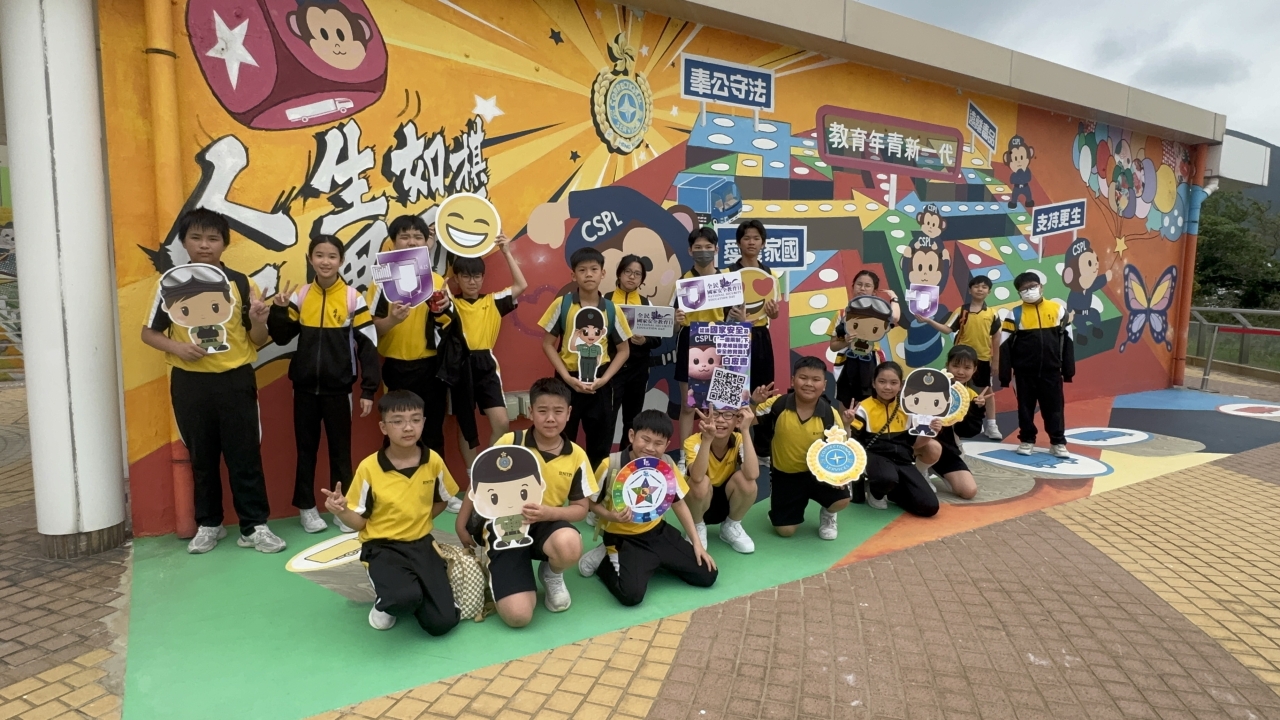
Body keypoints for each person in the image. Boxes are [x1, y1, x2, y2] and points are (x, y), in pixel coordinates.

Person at [141, 208, 285, 555]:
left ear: (224, 243)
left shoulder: (241, 283)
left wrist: (259, 320)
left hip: (236, 380)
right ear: (184, 242)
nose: (204, 245)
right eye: (196, 238)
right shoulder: (170, 284)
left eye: (212, 238)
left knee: (245, 456)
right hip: (190, 383)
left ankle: (254, 526)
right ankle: (209, 525)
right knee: (202, 458)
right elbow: (149, 333)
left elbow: (258, 339)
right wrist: (178, 347)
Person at [456, 377, 595, 625]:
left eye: (558, 411)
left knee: (570, 543)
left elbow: (580, 509)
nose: (550, 418)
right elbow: (478, 484)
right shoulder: (509, 443)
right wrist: (461, 523)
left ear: (569, 413)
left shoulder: (577, 455)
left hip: (545, 523)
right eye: (542, 411)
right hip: (505, 527)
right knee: (518, 617)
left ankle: (551, 574)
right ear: (531, 412)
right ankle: (504, 569)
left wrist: (547, 513)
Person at [322, 390, 460, 635]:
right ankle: (385, 601)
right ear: (383, 427)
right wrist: (341, 511)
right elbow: (360, 523)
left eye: (415, 420)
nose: (408, 427)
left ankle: (413, 594)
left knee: (442, 624)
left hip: (422, 545)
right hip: (382, 547)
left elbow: (442, 501)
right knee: (402, 599)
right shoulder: (369, 468)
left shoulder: (433, 461)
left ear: (423, 422)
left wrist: (416, 520)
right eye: (397, 421)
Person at [268, 235, 380, 534]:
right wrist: (279, 310)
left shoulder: (353, 299)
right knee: (305, 451)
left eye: (332, 256)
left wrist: (368, 390)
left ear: (341, 261)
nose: (325, 261)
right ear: (310, 258)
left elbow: (368, 346)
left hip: (339, 391)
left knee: (341, 453)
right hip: (304, 390)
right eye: (319, 255)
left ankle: (342, 510)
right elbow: (282, 337)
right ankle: (306, 508)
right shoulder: (301, 296)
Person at [579, 410, 717, 606]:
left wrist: (697, 543)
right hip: (623, 539)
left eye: (659, 443)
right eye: (645, 439)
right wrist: (611, 516)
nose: (650, 448)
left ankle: (654, 562)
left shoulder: (666, 464)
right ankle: (603, 560)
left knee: (708, 574)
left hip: (658, 532)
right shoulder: (611, 465)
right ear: (632, 435)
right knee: (631, 596)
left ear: (667, 445)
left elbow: (678, 503)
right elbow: (590, 503)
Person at [369, 215, 458, 459]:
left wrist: (444, 309)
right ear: (393, 241)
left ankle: (435, 482)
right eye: (405, 236)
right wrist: (392, 320)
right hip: (395, 368)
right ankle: (397, 481)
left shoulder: (437, 280)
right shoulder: (381, 279)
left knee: (432, 430)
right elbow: (370, 331)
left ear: (426, 242)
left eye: (418, 237)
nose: (411, 242)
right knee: (396, 431)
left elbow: (450, 328)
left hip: (432, 368)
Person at [539, 247, 633, 467]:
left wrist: (605, 379)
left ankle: (595, 486)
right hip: (567, 380)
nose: (588, 274)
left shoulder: (612, 309)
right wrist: (566, 378)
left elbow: (624, 350)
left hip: (601, 382)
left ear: (603, 273)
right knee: (562, 438)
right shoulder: (562, 304)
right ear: (573, 275)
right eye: (582, 270)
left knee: (600, 443)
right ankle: (564, 483)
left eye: (594, 269)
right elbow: (547, 344)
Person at [751, 356, 850, 540]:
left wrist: (839, 475)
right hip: (785, 475)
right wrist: (753, 402)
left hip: (818, 474)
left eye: (815, 379)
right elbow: (745, 420)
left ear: (824, 385)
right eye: (803, 378)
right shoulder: (777, 405)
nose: (809, 384)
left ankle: (828, 514)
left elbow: (840, 448)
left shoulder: (830, 414)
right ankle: (784, 510)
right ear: (792, 380)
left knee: (843, 499)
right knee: (785, 531)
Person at [450, 234, 526, 470]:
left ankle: (487, 469)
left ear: (483, 278)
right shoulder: (450, 303)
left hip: (487, 365)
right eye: (466, 276)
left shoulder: (493, 301)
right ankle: (472, 474)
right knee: (466, 426)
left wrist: (506, 252)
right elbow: (435, 288)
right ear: (456, 278)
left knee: (501, 422)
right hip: (460, 366)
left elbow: (521, 285)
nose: (472, 281)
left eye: (476, 276)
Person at [674, 227, 743, 445]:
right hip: (690, 341)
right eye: (698, 247)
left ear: (716, 249)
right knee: (689, 405)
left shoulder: (728, 281)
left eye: (708, 247)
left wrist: (740, 318)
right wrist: (676, 321)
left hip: (722, 341)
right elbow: (673, 328)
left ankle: (725, 451)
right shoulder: (683, 281)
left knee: (725, 404)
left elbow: (739, 321)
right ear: (690, 250)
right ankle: (686, 456)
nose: (703, 251)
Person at [846, 362, 940, 517]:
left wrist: (931, 432)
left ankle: (891, 492)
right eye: (882, 381)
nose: (887, 387)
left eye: (893, 382)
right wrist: (847, 424)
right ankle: (875, 491)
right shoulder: (863, 408)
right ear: (873, 383)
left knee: (930, 507)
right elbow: (852, 443)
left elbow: (915, 444)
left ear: (901, 385)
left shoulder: (908, 408)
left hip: (903, 460)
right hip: (875, 457)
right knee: (886, 477)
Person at [914, 275, 1003, 439]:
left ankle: (991, 425)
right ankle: (950, 423)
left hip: (982, 359)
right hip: (961, 359)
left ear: (989, 291)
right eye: (976, 286)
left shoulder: (992, 313)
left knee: (986, 391)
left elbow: (996, 337)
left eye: (984, 287)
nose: (980, 289)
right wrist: (928, 321)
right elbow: (947, 329)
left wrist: (996, 361)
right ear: (970, 290)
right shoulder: (961, 311)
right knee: (954, 390)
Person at [1000, 272, 1074, 458]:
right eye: (1023, 289)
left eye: (1032, 286)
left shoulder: (1058, 310)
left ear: (1041, 286)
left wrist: (1068, 370)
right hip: (1024, 373)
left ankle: (1057, 442)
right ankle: (1027, 440)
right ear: (1019, 293)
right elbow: (1004, 346)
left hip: (1052, 371)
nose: (1029, 291)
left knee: (1055, 408)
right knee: (1025, 408)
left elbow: (1068, 341)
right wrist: (1005, 375)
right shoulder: (1014, 314)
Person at [684, 406, 759, 553]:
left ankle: (731, 525)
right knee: (700, 483)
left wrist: (745, 430)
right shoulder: (692, 441)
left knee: (747, 483)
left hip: (726, 498)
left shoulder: (738, 439)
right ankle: (696, 527)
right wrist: (707, 439)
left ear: (737, 420)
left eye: (728, 415)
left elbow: (753, 474)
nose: (720, 420)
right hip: (698, 501)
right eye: (715, 414)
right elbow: (697, 477)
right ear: (706, 416)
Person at [609, 255, 664, 449]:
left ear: (642, 279)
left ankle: (628, 457)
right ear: (619, 274)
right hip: (611, 370)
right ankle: (602, 460)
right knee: (607, 418)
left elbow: (657, 340)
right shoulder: (605, 300)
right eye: (628, 272)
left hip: (638, 370)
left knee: (632, 420)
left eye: (637, 274)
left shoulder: (646, 304)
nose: (632, 277)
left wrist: (644, 340)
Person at [927, 344, 990, 499]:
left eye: (967, 367)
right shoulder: (930, 386)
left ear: (974, 369)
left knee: (969, 491)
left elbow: (967, 432)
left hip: (948, 451)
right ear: (947, 365)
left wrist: (977, 409)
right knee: (930, 447)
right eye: (955, 366)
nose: (960, 372)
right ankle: (921, 468)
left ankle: (933, 467)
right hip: (922, 446)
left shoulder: (972, 396)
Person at [726, 219, 779, 396]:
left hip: (760, 336)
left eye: (756, 238)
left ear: (763, 243)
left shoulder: (770, 274)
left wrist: (774, 313)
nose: (751, 242)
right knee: (731, 393)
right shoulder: (727, 274)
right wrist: (737, 321)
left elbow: (772, 311)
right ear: (738, 243)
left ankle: (757, 416)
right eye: (746, 238)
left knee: (762, 390)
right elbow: (719, 313)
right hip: (733, 336)